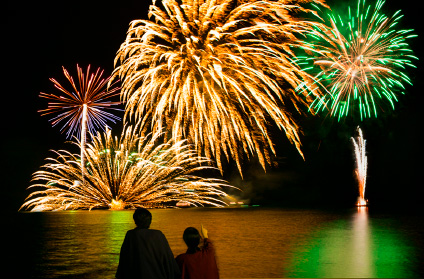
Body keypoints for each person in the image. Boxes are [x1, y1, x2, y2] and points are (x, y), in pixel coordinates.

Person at [116, 208, 180, 279]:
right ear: (149, 220)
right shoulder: (158, 235)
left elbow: (123, 261)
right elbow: (168, 259)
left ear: (135, 220)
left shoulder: (130, 235)